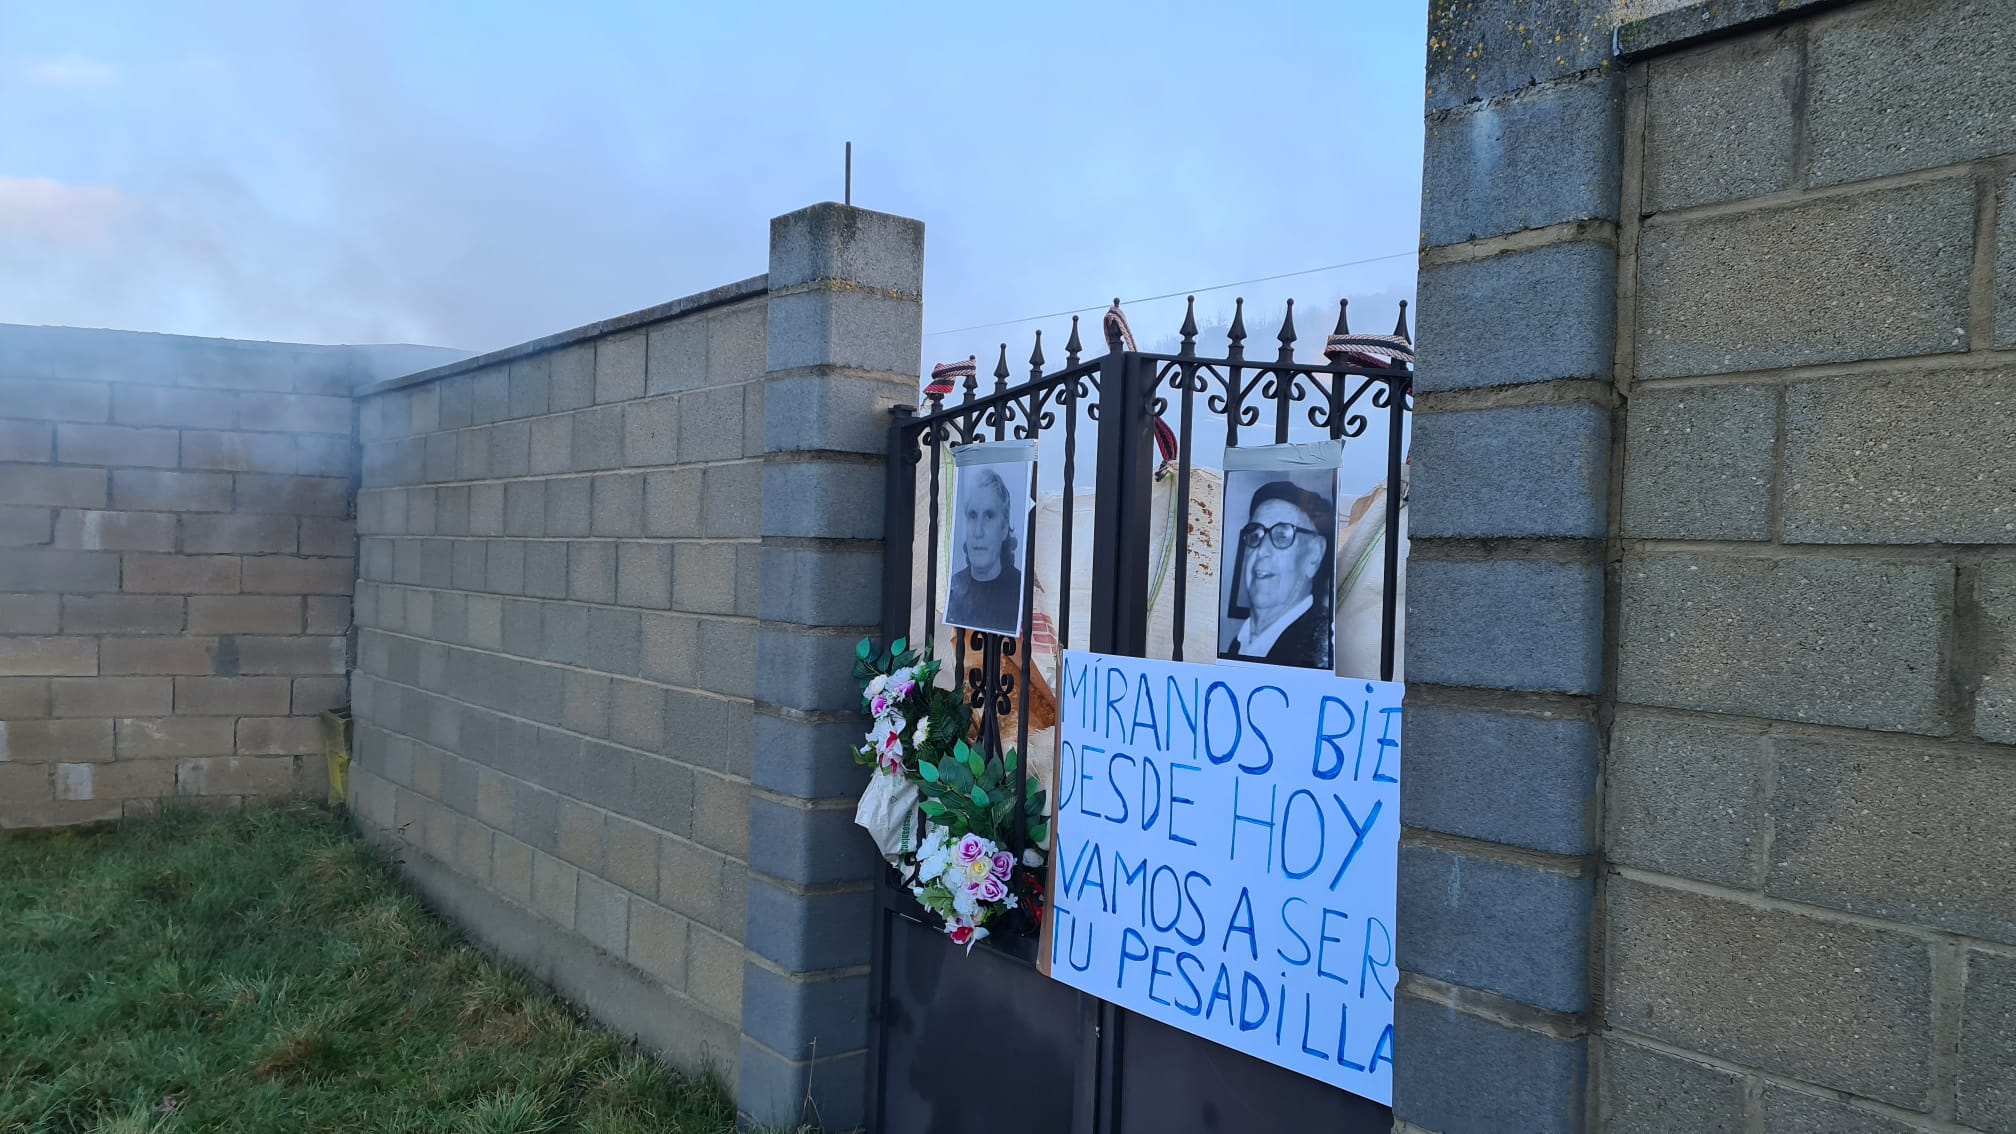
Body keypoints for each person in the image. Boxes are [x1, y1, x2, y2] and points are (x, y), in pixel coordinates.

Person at [1222, 479, 1333, 669]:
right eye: (1256, 534)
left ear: (1314, 555)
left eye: (1282, 535)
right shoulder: (1239, 642)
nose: (1262, 550)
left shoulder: (1321, 649)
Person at [945, 467, 1024, 635]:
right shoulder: (952, 589)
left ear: (1004, 529)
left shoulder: (1022, 590)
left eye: (989, 516)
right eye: (973, 516)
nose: (978, 532)